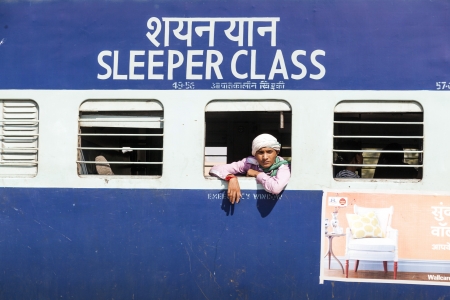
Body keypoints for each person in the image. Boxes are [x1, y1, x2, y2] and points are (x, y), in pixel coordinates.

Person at [209, 133, 291, 204]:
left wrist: (257, 174)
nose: (265, 157)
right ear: (254, 154)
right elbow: (215, 169)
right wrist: (231, 178)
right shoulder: (248, 163)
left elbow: (276, 188)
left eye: (269, 152)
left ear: (276, 152)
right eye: (260, 152)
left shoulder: (283, 166)